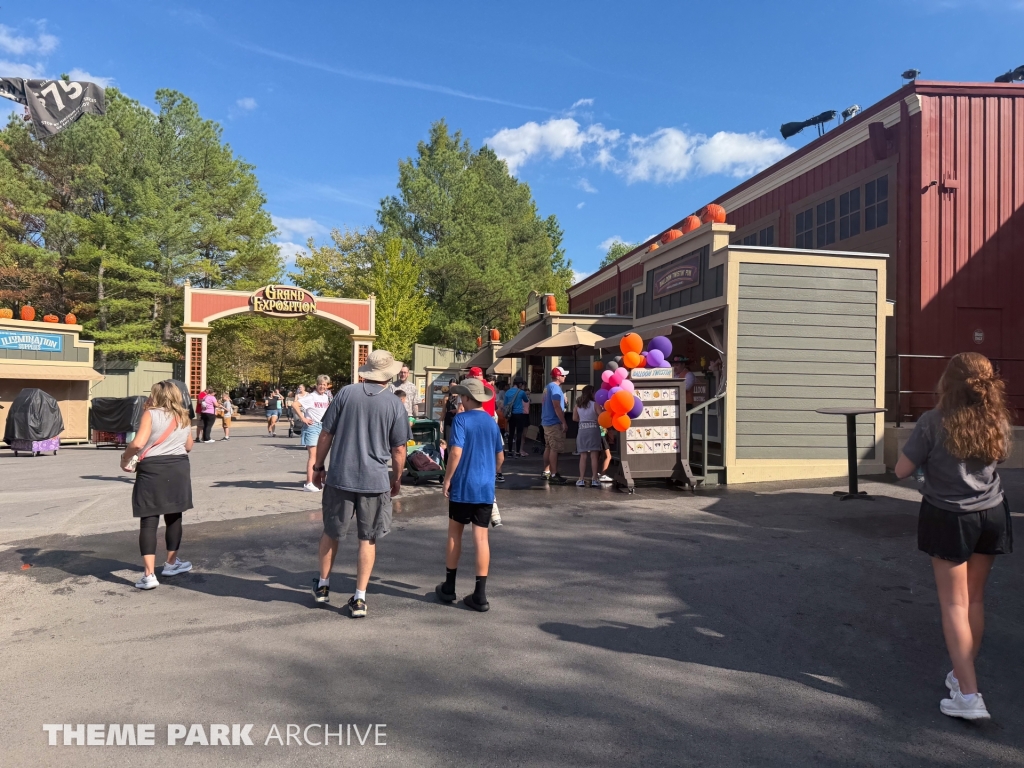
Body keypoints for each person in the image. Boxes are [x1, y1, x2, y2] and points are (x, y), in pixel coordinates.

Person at [894, 352, 1014, 721]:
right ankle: (962, 677)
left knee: (954, 605)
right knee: (974, 601)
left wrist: (925, 459)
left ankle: (969, 695)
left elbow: (901, 470)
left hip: (949, 516)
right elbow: (1003, 457)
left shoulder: (933, 421)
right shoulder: (996, 419)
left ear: (949, 381)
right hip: (992, 512)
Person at [310, 350, 411, 618]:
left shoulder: (345, 393)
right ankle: (359, 598)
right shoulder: (393, 404)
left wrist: (318, 467)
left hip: (340, 476)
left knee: (331, 531)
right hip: (375, 481)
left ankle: (322, 585)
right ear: (389, 374)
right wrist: (397, 477)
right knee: (368, 538)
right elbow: (399, 449)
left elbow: (325, 434)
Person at [436, 377, 504, 612]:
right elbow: (500, 457)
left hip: (464, 485)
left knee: (455, 534)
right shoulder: (492, 422)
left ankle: (449, 586)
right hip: (485, 488)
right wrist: (489, 474)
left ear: (466, 397)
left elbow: (455, 452)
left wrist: (447, 479)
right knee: (481, 538)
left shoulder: (462, 420)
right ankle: (480, 594)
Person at [120, 381, 194, 590]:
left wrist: (125, 458)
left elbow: (137, 443)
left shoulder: (150, 414)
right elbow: (188, 446)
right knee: (174, 517)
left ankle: (149, 574)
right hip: (179, 467)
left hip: (153, 469)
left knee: (149, 520)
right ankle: (171, 563)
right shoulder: (184, 415)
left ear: (157, 395)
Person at [294, 376, 332, 492]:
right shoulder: (311, 397)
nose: (322, 387)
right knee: (313, 457)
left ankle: (321, 480)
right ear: (317, 385)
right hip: (312, 427)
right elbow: (295, 405)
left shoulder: (326, 397)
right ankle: (308, 483)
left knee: (321, 456)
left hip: (323, 427)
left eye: (325, 385)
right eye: (320, 384)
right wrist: (303, 418)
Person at [541, 367, 569, 484]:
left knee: (548, 446)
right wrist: (563, 422)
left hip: (546, 421)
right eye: (563, 375)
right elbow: (556, 406)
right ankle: (553, 474)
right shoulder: (556, 389)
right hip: (554, 422)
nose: (565, 377)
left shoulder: (547, 387)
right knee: (554, 448)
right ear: (558, 376)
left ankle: (546, 471)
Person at [573, 385, 605, 487]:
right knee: (594, 456)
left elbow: (574, 418)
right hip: (593, 430)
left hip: (582, 430)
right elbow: (602, 418)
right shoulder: (595, 404)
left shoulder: (578, 405)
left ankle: (581, 479)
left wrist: (583, 420)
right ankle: (594, 479)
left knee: (583, 456)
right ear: (591, 393)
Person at [504, 377, 531, 458]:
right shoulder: (521, 392)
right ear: (520, 384)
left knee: (511, 433)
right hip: (519, 414)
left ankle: (509, 451)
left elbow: (505, 404)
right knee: (519, 433)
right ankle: (518, 452)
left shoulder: (508, 392)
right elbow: (526, 400)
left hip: (511, 414)